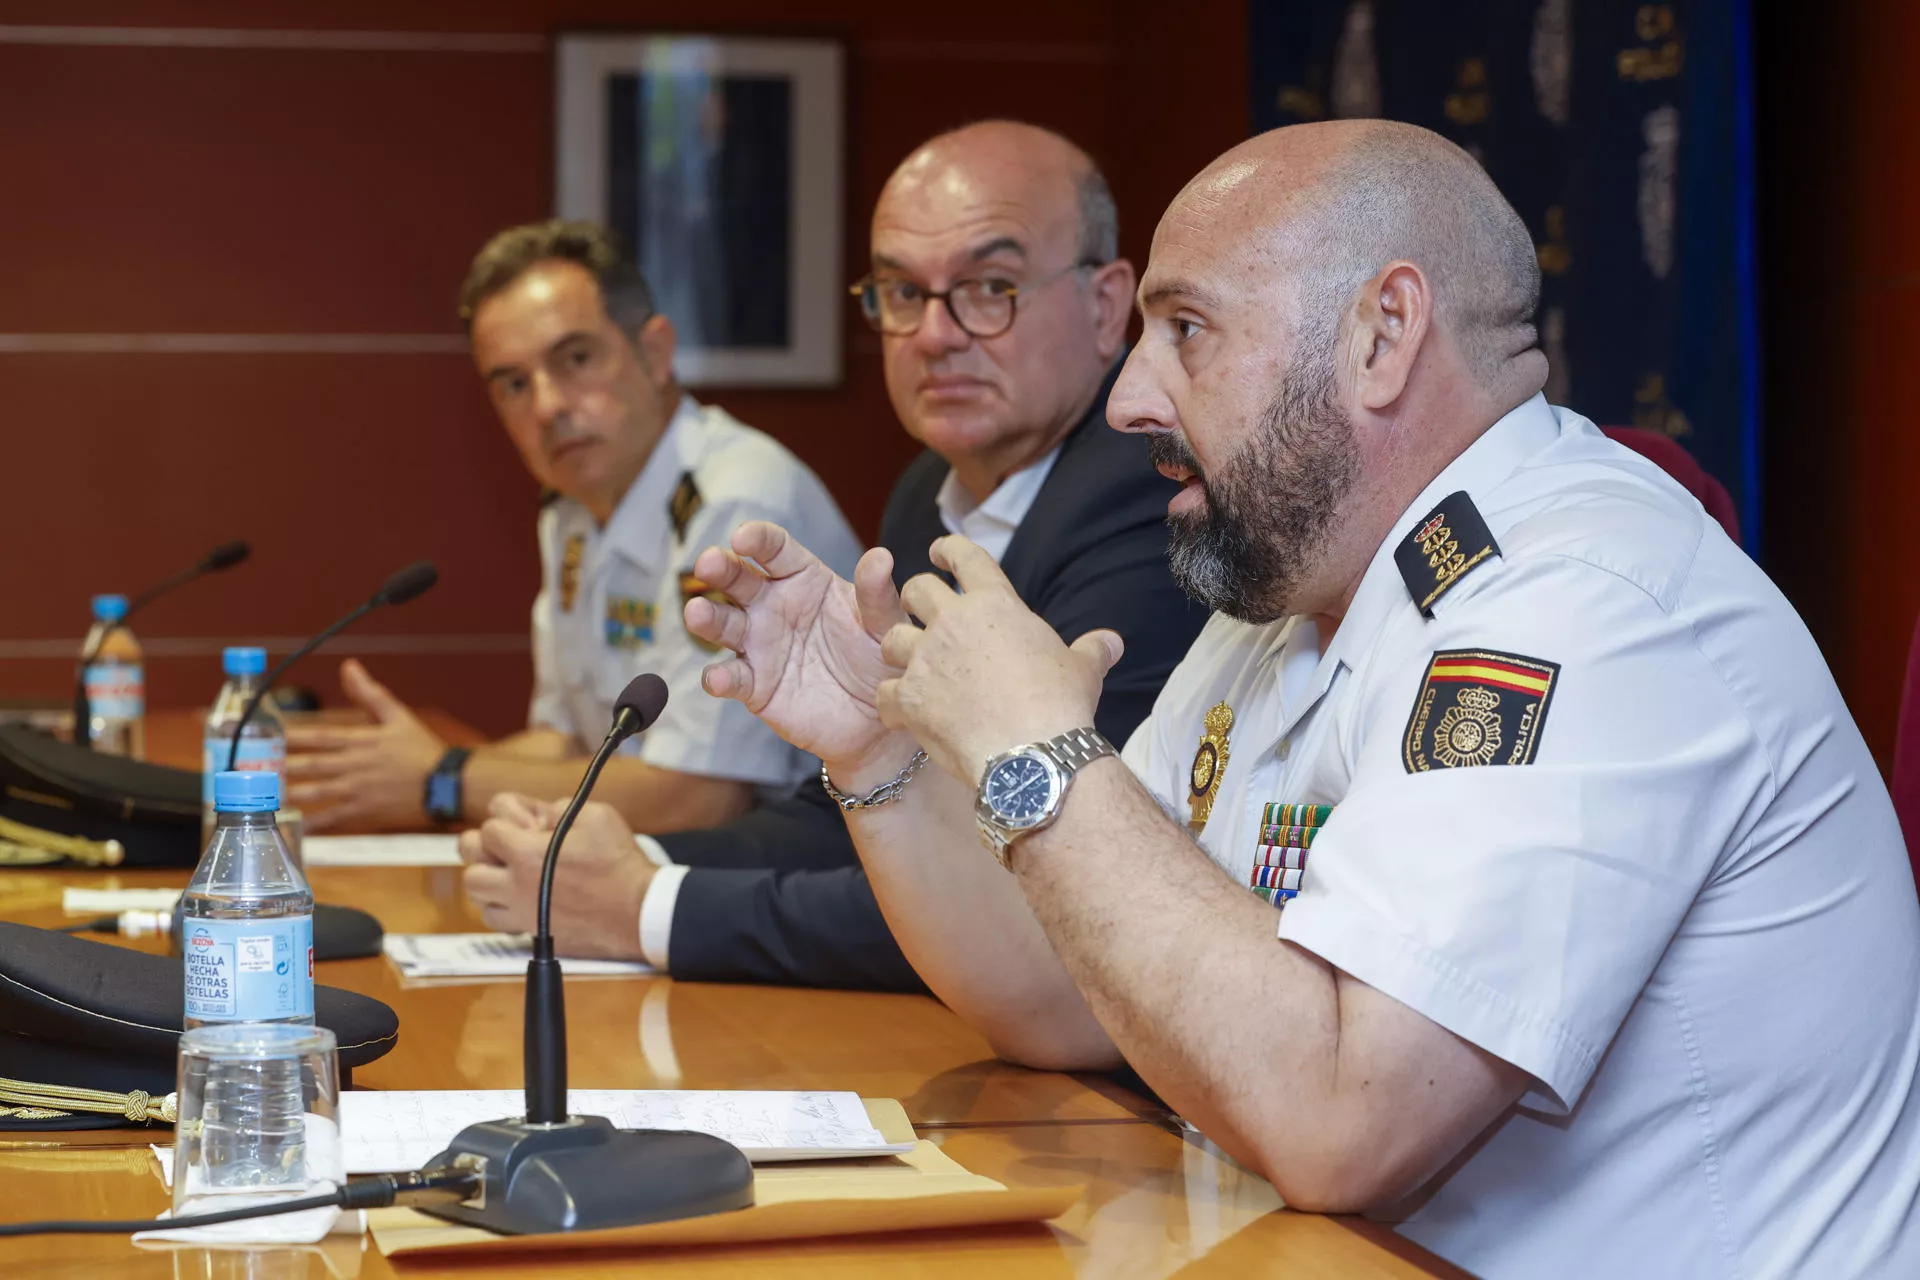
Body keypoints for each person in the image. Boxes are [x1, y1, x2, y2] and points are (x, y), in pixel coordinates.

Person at [676, 121, 1920, 1278]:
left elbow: (1346, 1119)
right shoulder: (1287, 603)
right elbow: (1066, 993)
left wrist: (1039, 749)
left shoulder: (1581, 603)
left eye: (1188, 330)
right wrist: (876, 750)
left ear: (1383, 333)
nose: (1130, 399)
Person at [459, 122, 1210, 990]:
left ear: (1107, 305)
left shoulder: (1148, 494)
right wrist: (610, 859)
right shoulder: (927, 490)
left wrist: (648, 905)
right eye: (900, 292)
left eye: (990, 287)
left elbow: (1040, 888)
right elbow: (852, 808)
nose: (934, 336)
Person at [285, 221, 861, 833]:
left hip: (796, 878)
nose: (547, 407)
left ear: (656, 352)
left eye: (576, 359)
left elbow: (699, 799)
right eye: (513, 383)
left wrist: (443, 778)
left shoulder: (736, 506)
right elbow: (560, 742)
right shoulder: (572, 511)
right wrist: (381, 772)